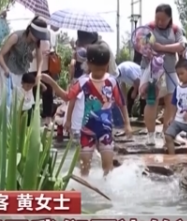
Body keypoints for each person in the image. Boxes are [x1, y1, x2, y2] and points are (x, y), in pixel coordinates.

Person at [52, 43, 132, 176]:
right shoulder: (83, 82)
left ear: (107, 65)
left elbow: (121, 104)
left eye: (102, 69)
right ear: (89, 65)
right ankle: (84, 186)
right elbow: (69, 98)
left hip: (105, 130)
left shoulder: (112, 82)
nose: (100, 73)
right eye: (96, 69)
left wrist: (127, 124)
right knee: (84, 167)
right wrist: (68, 120)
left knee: (108, 166)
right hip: (87, 131)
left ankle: (107, 186)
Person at [140, 4, 185, 146]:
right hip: (152, 70)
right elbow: (143, 44)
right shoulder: (149, 28)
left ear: (170, 18)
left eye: (163, 19)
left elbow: (181, 45)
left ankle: (168, 132)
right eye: (157, 18)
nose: (159, 22)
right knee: (151, 101)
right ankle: (150, 135)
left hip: (170, 69)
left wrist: (162, 48)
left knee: (172, 102)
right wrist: (149, 50)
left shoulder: (175, 29)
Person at [0, 17, 50, 107]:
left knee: (20, 100)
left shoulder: (37, 42)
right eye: (37, 35)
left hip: (21, 71)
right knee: (8, 101)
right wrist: (5, 69)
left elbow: (40, 59)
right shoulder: (16, 37)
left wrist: (39, 73)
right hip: (7, 69)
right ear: (30, 30)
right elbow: (0, 55)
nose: (38, 38)